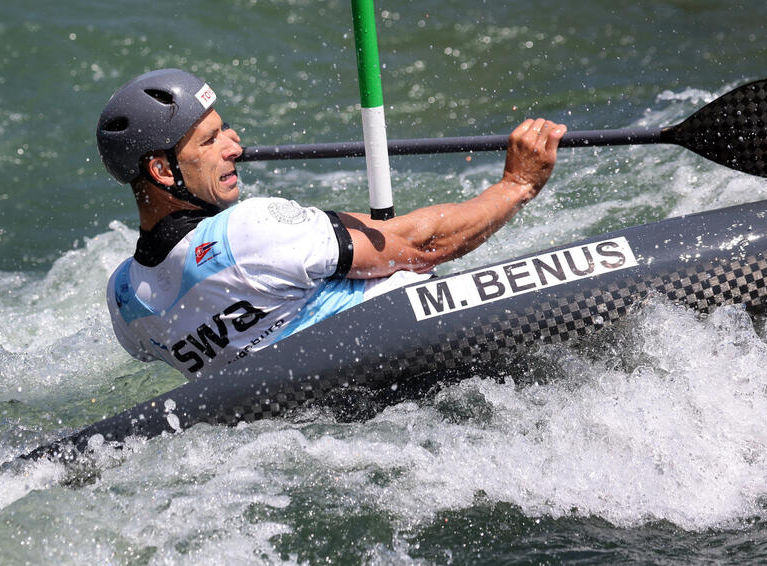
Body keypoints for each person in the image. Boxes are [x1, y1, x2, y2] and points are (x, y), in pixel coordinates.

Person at [98, 68, 566, 381]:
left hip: (328, 399)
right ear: (162, 171)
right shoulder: (250, 229)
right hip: (429, 357)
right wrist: (517, 184)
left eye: (227, 130)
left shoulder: (126, 301)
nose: (235, 147)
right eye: (211, 140)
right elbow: (421, 245)